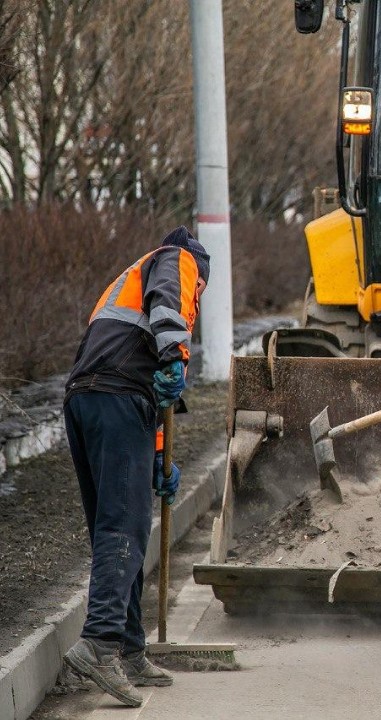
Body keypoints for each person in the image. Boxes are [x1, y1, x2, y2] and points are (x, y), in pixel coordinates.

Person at [61, 226, 209, 707]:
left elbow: (151, 388)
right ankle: (99, 644)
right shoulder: (178, 258)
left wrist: (159, 459)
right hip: (118, 398)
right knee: (124, 527)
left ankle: (128, 648)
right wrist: (176, 355)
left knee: (114, 526)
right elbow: (168, 312)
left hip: (91, 400)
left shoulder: (128, 282)